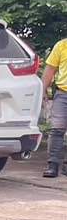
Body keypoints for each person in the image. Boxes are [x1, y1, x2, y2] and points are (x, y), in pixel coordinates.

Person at [42, 35, 65, 177]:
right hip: (63, 93)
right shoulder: (61, 46)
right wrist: (43, 89)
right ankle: (52, 165)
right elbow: (50, 69)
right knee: (57, 129)